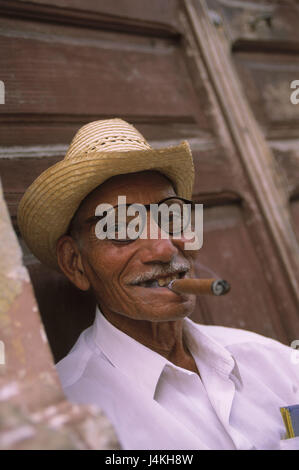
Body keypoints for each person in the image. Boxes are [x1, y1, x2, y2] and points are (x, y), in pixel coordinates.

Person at [17, 119, 299, 450]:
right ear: (75, 263)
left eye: (172, 218)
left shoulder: (275, 363)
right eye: (121, 226)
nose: (165, 248)